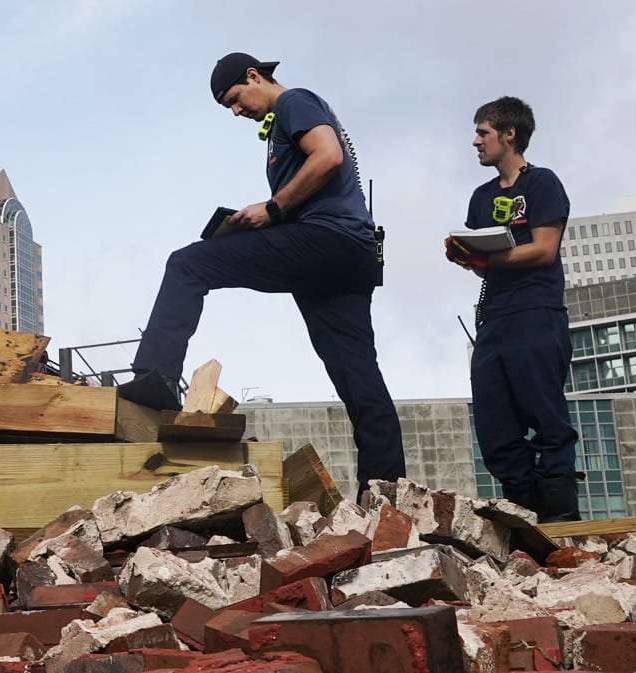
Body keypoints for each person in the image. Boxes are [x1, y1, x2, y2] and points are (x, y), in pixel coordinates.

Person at [120, 53, 407, 485]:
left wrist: (272, 209)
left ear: (254, 76)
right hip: (347, 259)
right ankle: (385, 490)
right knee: (358, 377)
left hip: (328, 242)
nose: (237, 112)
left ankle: (152, 379)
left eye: (235, 99)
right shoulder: (283, 128)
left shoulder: (294, 101)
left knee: (187, 264)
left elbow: (327, 156)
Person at [447, 96, 579, 520]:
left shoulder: (542, 183)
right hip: (494, 321)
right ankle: (527, 518)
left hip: (536, 314)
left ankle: (560, 522)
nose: (476, 141)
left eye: (483, 132)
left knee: (545, 416)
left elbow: (543, 249)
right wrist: (467, 257)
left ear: (509, 134)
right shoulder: (481, 196)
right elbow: (485, 265)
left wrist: (482, 259)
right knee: (494, 426)